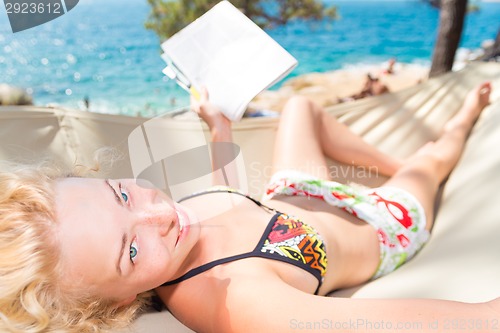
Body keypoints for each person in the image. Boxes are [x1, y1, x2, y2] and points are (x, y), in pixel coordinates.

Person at [0, 82, 498, 333]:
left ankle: (394, 161)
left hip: (294, 194)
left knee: (302, 108)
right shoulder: (236, 306)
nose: (159, 216)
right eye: (131, 252)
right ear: (122, 303)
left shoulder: (170, 225)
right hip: (380, 222)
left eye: (123, 195)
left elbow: (225, 208)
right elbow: (368, 326)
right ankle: (456, 124)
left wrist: (220, 130)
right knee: (432, 161)